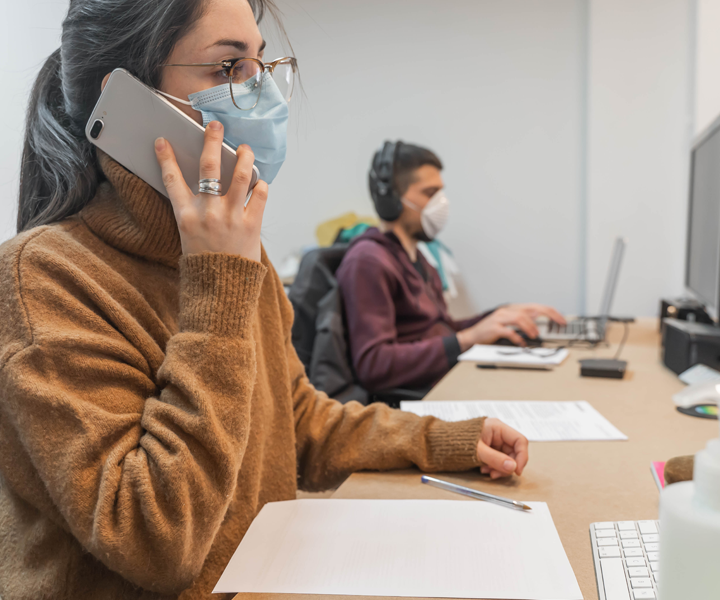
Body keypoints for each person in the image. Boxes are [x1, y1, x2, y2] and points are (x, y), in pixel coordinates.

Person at [0, 3, 529, 599]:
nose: (262, 94)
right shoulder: (43, 276)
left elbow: (295, 420)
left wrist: (440, 440)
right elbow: (155, 542)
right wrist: (218, 285)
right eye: (229, 67)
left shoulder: (234, 254)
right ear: (126, 103)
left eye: (261, 64)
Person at [337, 141, 566, 393]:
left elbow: (443, 331)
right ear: (390, 200)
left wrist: (501, 315)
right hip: (417, 400)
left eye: (440, 193)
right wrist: (467, 339)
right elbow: (374, 365)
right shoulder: (368, 261)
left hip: (443, 382)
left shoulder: (417, 258)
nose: (441, 204)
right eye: (430, 193)